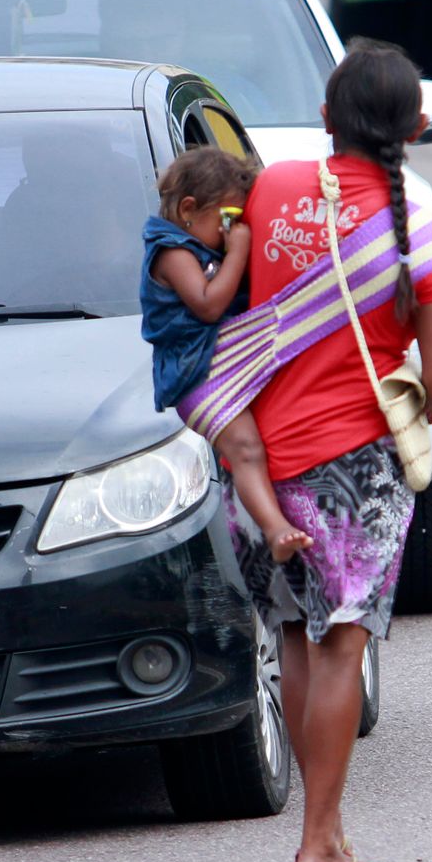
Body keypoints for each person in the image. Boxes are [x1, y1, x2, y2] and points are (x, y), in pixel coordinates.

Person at [236, 41, 432, 862]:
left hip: (257, 471)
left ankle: (319, 832)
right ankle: (319, 842)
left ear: (327, 120)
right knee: (342, 649)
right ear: (415, 125)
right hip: (353, 473)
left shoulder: (270, 189)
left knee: (297, 636)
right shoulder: (422, 232)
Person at [140, 147, 314, 563]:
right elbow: (208, 305)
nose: (235, 231)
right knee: (246, 449)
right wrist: (238, 251)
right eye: (228, 220)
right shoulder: (173, 251)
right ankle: (276, 530)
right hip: (193, 375)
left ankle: (277, 521)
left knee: (258, 447)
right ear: (188, 209)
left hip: (218, 365)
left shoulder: (201, 245)